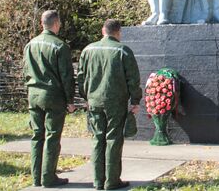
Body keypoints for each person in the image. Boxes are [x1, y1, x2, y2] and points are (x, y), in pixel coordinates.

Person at [77, 19, 142, 190]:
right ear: (118, 32)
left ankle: (98, 181)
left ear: (102, 30)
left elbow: (81, 77)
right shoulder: (123, 51)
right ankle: (112, 181)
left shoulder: (88, 50)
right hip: (116, 102)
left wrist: (86, 96)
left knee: (98, 138)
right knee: (113, 139)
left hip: (94, 101)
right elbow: (133, 79)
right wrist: (135, 101)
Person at [23, 10, 75, 187]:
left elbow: (25, 71)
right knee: (53, 136)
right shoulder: (60, 46)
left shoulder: (30, 44)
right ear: (56, 23)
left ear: (41, 23)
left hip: (33, 93)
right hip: (53, 95)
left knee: (37, 136)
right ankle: (48, 176)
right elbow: (66, 76)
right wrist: (70, 100)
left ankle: (36, 177)